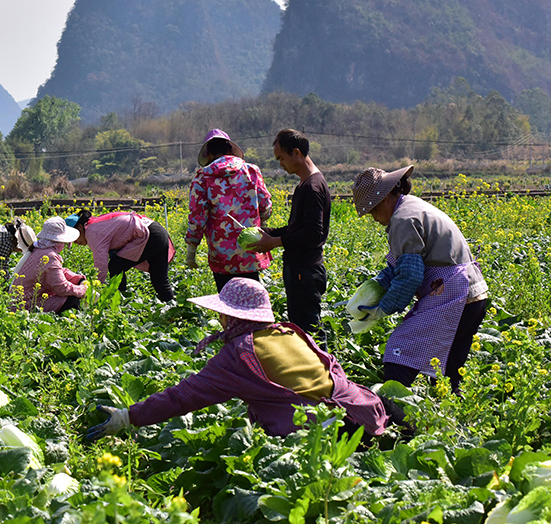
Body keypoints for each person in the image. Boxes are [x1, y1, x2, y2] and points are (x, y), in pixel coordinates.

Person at [85, 278, 393, 440]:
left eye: (221, 312)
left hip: (318, 435)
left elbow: (183, 396)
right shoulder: (290, 332)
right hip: (363, 413)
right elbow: (333, 368)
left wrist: (129, 416)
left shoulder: (238, 354)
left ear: (230, 316)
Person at [351, 165, 488, 392]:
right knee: (447, 372)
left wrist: (382, 309)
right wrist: (379, 283)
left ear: (384, 199)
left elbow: (409, 276)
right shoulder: (412, 207)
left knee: (400, 349)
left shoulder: (402, 220)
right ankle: (448, 419)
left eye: (372, 210)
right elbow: (407, 264)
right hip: (474, 297)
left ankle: (396, 413)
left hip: (454, 297)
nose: (373, 218)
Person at [247, 129, 330, 338]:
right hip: (300, 269)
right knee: (303, 328)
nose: (281, 164)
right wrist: (266, 233)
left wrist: (274, 242)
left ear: (297, 153)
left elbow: (313, 233)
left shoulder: (312, 187)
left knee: (309, 332)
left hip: (306, 270)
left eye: (281, 158)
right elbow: (297, 228)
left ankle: (325, 369)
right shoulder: (305, 185)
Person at [184, 128, 272, 292]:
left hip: (222, 256)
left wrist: (191, 249)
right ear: (230, 149)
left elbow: (197, 218)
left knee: (228, 304)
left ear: (208, 154)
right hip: (251, 249)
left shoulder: (203, 178)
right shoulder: (251, 171)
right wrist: (263, 222)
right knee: (252, 301)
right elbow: (265, 205)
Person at [66, 209, 176, 303]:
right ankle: (174, 311)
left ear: (80, 227)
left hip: (150, 235)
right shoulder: (94, 224)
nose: (75, 242)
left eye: (74, 237)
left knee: (116, 266)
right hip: (157, 232)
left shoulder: (92, 232)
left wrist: (93, 291)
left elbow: (101, 265)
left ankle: (119, 303)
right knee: (160, 280)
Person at [11, 216, 87, 313]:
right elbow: (61, 288)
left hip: (18, 302)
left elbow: (57, 271)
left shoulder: (39, 248)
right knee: (73, 301)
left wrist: (78, 278)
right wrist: (81, 290)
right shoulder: (49, 256)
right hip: (25, 307)